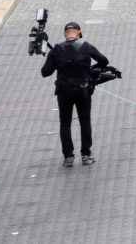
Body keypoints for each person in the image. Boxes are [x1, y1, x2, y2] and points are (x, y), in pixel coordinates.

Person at [40, 21, 110, 167]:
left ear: (65, 34)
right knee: (85, 121)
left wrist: (55, 60)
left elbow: (45, 73)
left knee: (65, 122)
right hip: (83, 90)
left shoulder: (56, 50)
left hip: (64, 91)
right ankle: (86, 154)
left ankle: (68, 157)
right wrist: (89, 70)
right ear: (79, 33)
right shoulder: (86, 47)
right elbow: (104, 61)